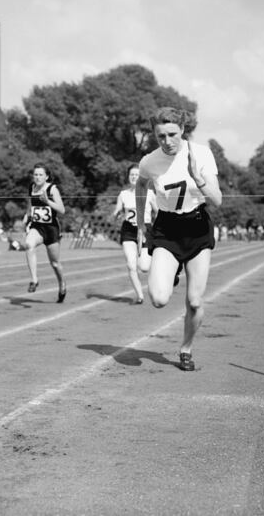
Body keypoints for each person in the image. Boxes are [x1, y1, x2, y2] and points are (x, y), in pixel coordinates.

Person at [135, 107, 223, 372]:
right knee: (159, 299)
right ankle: (170, 272)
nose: (167, 141)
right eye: (160, 136)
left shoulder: (202, 154)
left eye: (172, 134)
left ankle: (186, 348)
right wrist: (141, 222)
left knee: (195, 301)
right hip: (167, 229)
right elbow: (140, 185)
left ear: (183, 130)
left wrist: (198, 178)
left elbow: (217, 201)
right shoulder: (149, 162)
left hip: (197, 227)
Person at [23, 163, 67, 303]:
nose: (37, 177)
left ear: (46, 176)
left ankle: (62, 284)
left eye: (40, 174)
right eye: (35, 174)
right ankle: (34, 280)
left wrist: (47, 201)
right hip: (37, 227)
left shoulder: (52, 189)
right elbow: (31, 204)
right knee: (29, 245)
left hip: (51, 229)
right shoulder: (31, 187)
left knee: (54, 263)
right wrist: (27, 214)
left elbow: (62, 210)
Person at [113, 164, 155, 304]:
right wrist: (115, 214)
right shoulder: (123, 194)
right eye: (131, 174)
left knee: (144, 267)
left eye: (137, 175)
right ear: (128, 176)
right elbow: (118, 209)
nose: (134, 177)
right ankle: (140, 296)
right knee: (131, 265)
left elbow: (158, 211)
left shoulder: (149, 194)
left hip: (145, 230)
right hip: (128, 231)